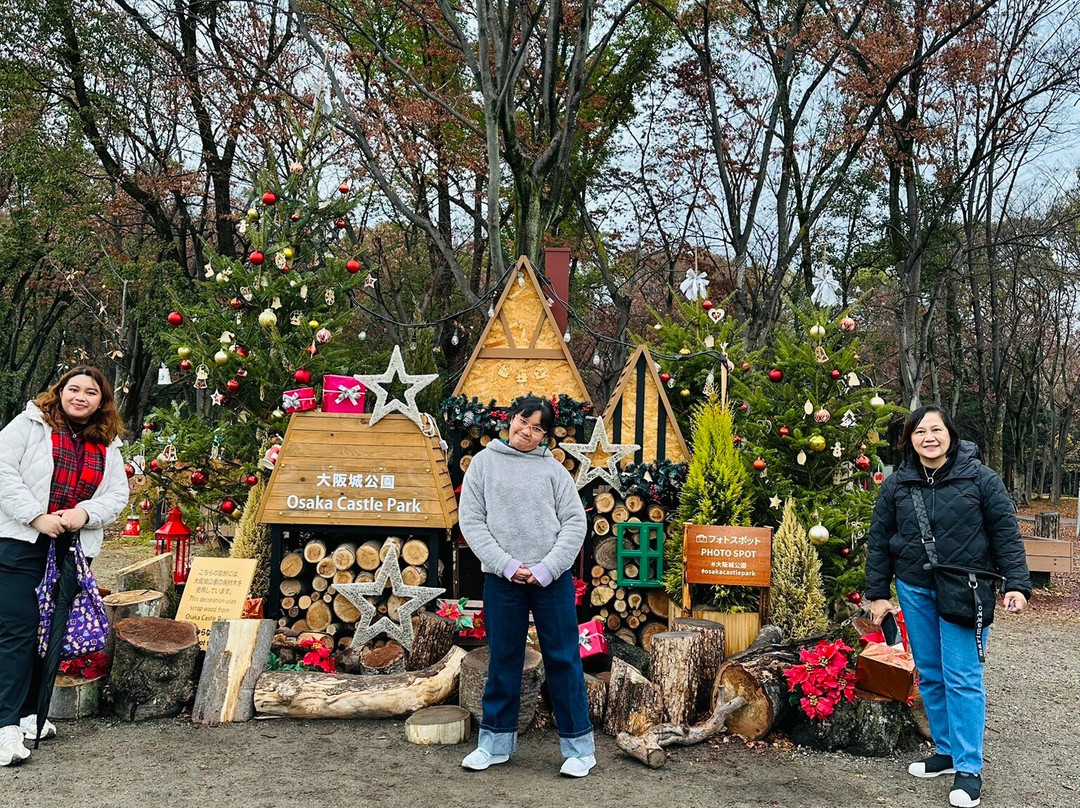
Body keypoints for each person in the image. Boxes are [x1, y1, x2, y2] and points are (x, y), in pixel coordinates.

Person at [865, 405, 1031, 808]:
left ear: (950, 435)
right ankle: (946, 751)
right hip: (915, 587)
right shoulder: (897, 484)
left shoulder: (981, 478)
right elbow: (880, 539)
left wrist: (1017, 584)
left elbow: (1005, 533)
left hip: (965, 590)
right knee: (931, 674)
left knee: (963, 677)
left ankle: (969, 768)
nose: (929, 438)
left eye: (936, 430)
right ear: (910, 440)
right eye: (920, 431)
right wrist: (878, 593)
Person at [457, 395, 593, 777]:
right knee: (503, 659)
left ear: (545, 435)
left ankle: (580, 749)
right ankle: (495, 744)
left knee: (563, 659)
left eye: (537, 428)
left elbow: (574, 523)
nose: (527, 432)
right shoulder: (483, 464)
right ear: (511, 419)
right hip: (503, 580)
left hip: (551, 580)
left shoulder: (554, 472)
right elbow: (472, 521)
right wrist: (506, 565)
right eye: (523, 421)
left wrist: (547, 568)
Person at [0, 366, 129, 767]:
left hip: (70, 548)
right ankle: (4, 725)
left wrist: (84, 514)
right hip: (21, 542)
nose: (80, 397)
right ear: (60, 392)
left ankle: (29, 713)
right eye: (74, 388)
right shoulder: (29, 425)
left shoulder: (106, 443)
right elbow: (4, 474)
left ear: (101, 401)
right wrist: (36, 516)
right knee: (18, 630)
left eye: (91, 392)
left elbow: (117, 494)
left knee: (50, 632)